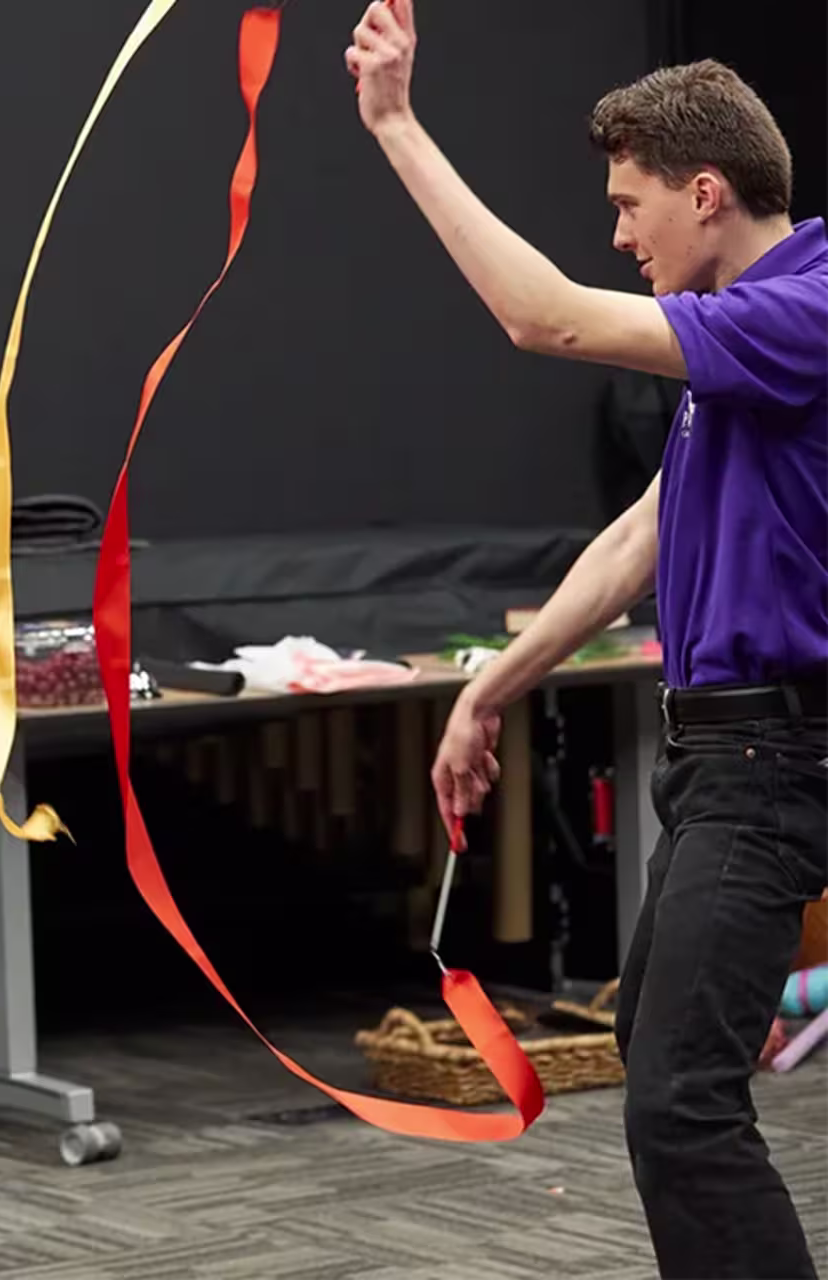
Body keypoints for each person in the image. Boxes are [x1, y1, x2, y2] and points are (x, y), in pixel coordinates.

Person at [348, 4, 828, 1276]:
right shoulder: (739, 351)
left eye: (632, 205)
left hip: (776, 770)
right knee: (666, 1090)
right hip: (721, 769)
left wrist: (396, 125)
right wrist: (487, 691)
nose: (618, 234)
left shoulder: (805, 316)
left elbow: (545, 318)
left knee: (682, 1102)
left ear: (708, 194)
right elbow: (637, 542)